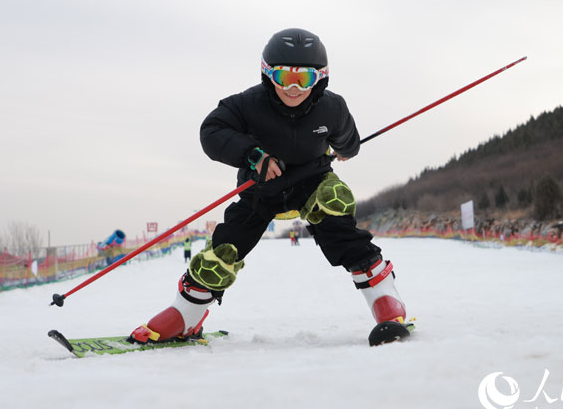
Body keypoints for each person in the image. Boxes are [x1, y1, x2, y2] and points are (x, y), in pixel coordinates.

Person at [129, 28, 407, 345]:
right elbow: (212, 131)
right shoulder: (247, 104)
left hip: (311, 183)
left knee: (336, 207)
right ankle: (186, 315)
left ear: (321, 78)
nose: (291, 88)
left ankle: (385, 301)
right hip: (260, 189)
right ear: (267, 73)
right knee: (226, 248)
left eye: (303, 79)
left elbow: (348, 143)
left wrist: (344, 150)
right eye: (282, 76)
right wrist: (253, 154)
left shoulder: (332, 108)